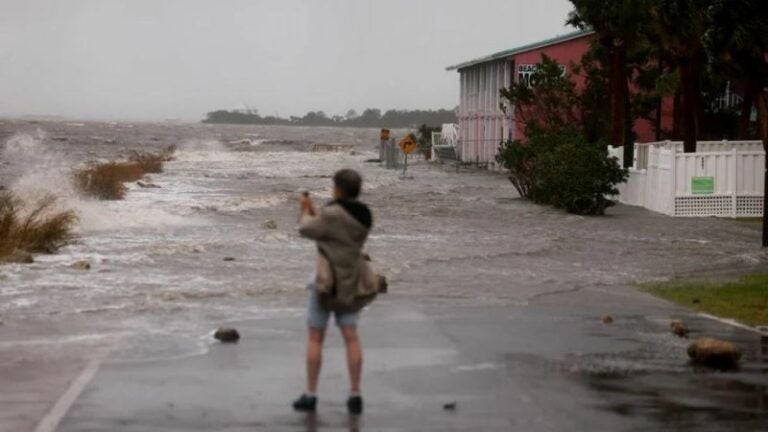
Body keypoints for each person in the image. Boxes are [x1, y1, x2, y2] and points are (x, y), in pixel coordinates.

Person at [292, 169, 373, 415]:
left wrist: (305, 208)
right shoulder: (364, 215)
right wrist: (320, 213)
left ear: (338, 188)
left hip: (327, 282)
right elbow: (334, 230)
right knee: (351, 337)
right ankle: (355, 394)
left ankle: (311, 394)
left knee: (316, 337)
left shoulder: (332, 214)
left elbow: (306, 229)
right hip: (351, 282)